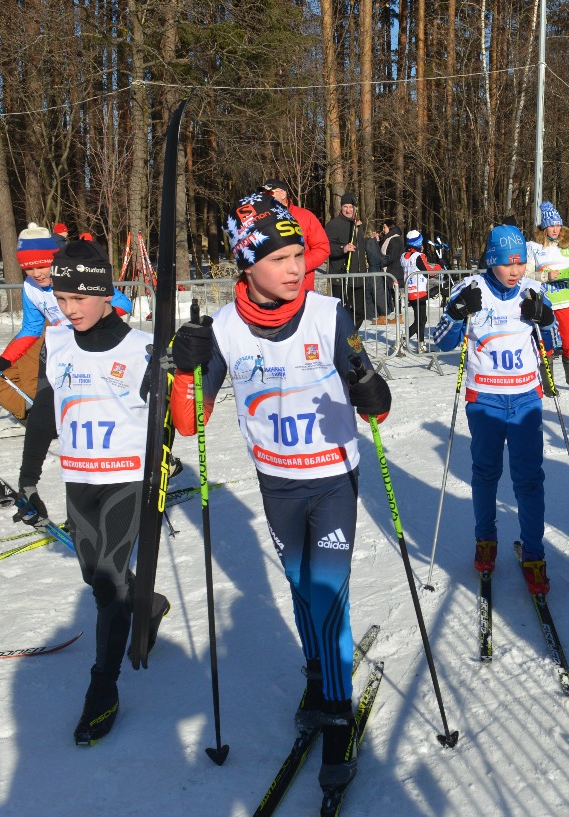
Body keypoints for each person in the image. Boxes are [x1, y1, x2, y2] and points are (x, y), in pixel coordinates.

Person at [168, 190, 392, 798]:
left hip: (333, 478)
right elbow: (190, 423)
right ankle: (319, 674)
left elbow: (375, 395)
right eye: (281, 256)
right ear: (247, 263)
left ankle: (338, 712)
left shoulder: (328, 313)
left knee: (327, 592)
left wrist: (370, 387)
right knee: (300, 586)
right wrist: (182, 369)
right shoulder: (221, 330)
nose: (296, 266)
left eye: (299, 253)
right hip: (278, 483)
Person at [14, 239, 171, 745]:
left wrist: (178, 376)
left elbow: (173, 424)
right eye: (61, 299)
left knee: (106, 581)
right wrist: (28, 478)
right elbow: (42, 414)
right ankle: (145, 605)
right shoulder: (57, 342)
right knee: (96, 576)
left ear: (105, 293)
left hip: (127, 478)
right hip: (79, 479)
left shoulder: (143, 347)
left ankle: (103, 689)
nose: (70, 309)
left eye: (79, 298)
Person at [431, 224, 557, 595]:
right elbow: (439, 341)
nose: (515, 270)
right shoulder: (471, 289)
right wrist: (456, 314)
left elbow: (555, 344)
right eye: (507, 263)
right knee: (485, 474)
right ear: (491, 261)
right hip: (484, 399)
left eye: (520, 262)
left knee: (529, 480)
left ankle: (534, 554)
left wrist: (545, 320)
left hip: (524, 400)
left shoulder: (533, 290)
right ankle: (485, 540)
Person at [0, 223, 133, 421]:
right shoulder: (30, 287)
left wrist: (89, 318)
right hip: (64, 346)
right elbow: (31, 329)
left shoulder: (76, 272)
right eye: (28, 268)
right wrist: (4, 360)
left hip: (97, 340)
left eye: (42, 266)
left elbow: (123, 303)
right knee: (52, 394)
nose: (36, 273)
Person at [526, 201, 569, 392]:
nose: (555, 229)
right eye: (551, 225)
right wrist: (545, 276)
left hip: (564, 301)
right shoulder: (534, 248)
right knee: (546, 342)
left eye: (558, 225)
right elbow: (526, 274)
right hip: (544, 302)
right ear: (545, 227)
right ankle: (548, 381)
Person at [261, 179, 331, 288]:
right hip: (270, 289)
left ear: (283, 193)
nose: (265, 196)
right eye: (263, 193)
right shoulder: (260, 220)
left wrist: (300, 265)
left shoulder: (305, 216)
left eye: (269, 193)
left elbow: (322, 248)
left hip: (300, 287)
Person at [325, 193, 366, 329]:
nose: (348, 210)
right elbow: (326, 248)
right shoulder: (333, 225)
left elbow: (360, 248)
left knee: (360, 313)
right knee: (343, 314)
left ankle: (350, 338)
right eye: (345, 207)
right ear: (341, 207)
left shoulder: (358, 226)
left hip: (358, 276)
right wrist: (343, 248)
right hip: (341, 277)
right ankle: (345, 341)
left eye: (351, 207)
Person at [400, 230, 442, 350]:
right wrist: (440, 266)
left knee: (420, 319)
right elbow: (429, 272)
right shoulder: (419, 256)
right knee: (421, 320)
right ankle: (402, 340)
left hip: (410, 291)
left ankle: (421, 344)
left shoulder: (404, 256)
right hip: (418, 291)